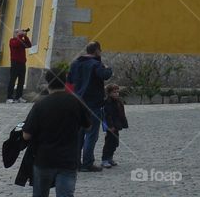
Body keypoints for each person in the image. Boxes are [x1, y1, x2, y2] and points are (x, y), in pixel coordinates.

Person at [22, 69, 90, 197]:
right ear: (64, 82)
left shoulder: (40, 105)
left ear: (48, 83)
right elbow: (88, 125)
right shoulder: (76, 102)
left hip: (44, 159)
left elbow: (27, 135)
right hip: (68, 160)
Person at [69, 41, 112, 171]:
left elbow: (70, 80)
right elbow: (105, 75)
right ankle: (87, 163)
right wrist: (108, 67)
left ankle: (75, 163)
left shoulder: (75, 63)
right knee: (91, 134)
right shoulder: (96, 64)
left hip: (77, 102)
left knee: (78, 134)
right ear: (97, 51)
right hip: (93, 104)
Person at [100, 83, 128, 168]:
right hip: (111, 126)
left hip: (117, 125)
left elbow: (121, 114)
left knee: (115, 143)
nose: (116, 94)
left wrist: (123, 123)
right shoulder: (107, 103)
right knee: (109, 143)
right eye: (114, 92)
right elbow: (107, 115)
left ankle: (110, 158)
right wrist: (110, 126)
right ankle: (105, 159)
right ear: (109, 93)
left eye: (117, 92)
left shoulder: (119, 101)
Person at [7, 28, 33, 103]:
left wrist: (25, 36)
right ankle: (9, 97)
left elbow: (29, 45)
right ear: (15, 33)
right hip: (15, 63)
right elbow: (16, 44)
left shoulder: (21, 41)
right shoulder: (12, 41)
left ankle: (19, 97)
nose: (20, 33)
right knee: (12, 80)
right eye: (18, 32)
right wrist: (21, 36)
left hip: (22, 63)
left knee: (21, 81)